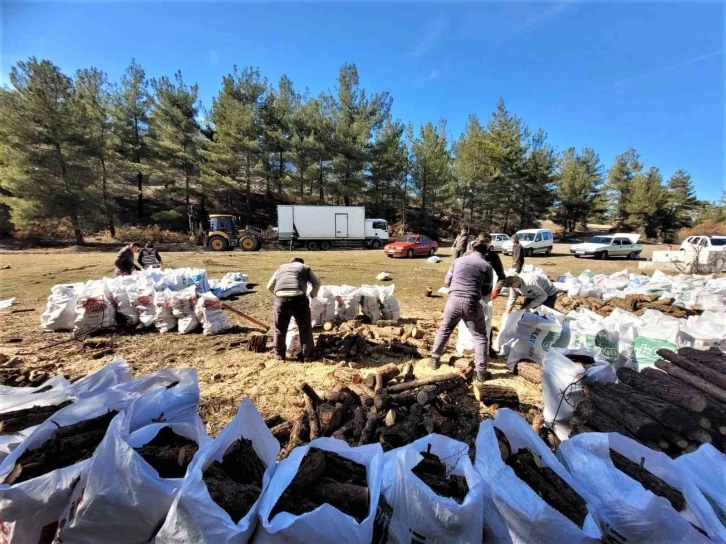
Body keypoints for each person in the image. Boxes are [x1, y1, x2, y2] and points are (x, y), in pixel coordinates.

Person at [430, 236, 494, 383]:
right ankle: (481, 372)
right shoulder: (486, 266)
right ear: (485, 253)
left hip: (453, 301)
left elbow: (447, 281)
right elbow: (486, 290)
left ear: (472, 249)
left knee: (445, 328)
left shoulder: (458, 261)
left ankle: (434, 358)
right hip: (471, 302)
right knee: (480, 337)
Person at [267, 257, 321, 362]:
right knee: (304, 328)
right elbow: (316, 283)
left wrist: (280, 296)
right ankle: (308, 356)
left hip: (280, 299)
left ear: (291, 263)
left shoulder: (281, 267)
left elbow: (269, 286)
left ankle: (279, 355)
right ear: (301, 263)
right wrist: (312, 295)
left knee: (279, 329)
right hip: (298, 299)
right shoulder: (305, 267)